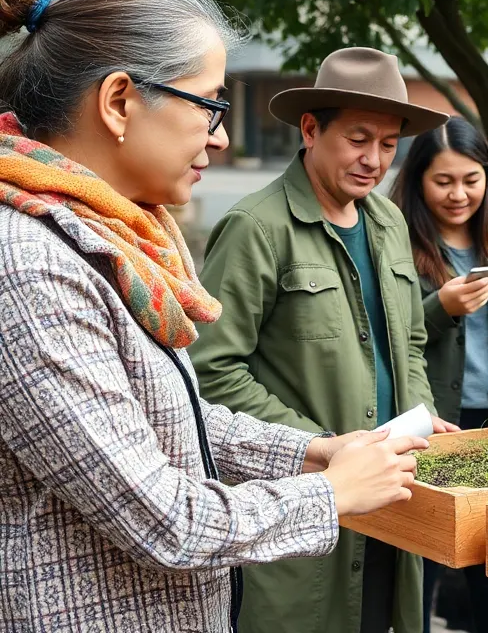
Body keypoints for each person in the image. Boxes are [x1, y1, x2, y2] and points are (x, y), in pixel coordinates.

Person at [0, 0, 424, 632]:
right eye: (209, 105)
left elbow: (177, 416)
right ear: (118, 102)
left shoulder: (105, 239)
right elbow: (164, 517)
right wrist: (328, 492)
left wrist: (312, 452)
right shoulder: (29, 267)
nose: (221, 136)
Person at [190, 47, 455, 633]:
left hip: (394, 493)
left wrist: (422, 417)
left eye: (388, 144)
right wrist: (323, 447)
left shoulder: (387, 222)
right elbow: (212, 371)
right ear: (310, 129)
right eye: (359, 139)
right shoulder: (256, 227)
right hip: (302, 504)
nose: (374, 159)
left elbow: (408, 343)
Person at [388, 117, 488, 633]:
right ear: (418, 181)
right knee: (420, 578)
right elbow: (389, 335)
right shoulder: (396, 238)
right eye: (443, 181)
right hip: (434, 428)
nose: (458, 194)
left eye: (470, 180)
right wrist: (442, 306)